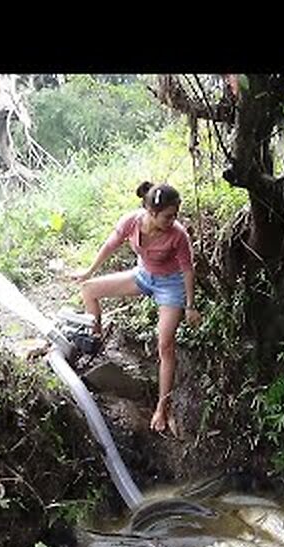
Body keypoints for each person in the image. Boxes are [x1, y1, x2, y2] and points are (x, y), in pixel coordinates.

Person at [73, 181, 200, 433]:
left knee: (164, 344)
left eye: (175, 215)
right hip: (143, 276)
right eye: (168, 216)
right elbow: (110, 244)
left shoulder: (177, 234)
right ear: (151, 212)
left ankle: (162, 408)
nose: (173, 220)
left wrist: (190, 305)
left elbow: (187, 269)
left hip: (171, 286)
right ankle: (94, 342)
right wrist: (89, 270)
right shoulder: (132, 221)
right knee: (89, 289)